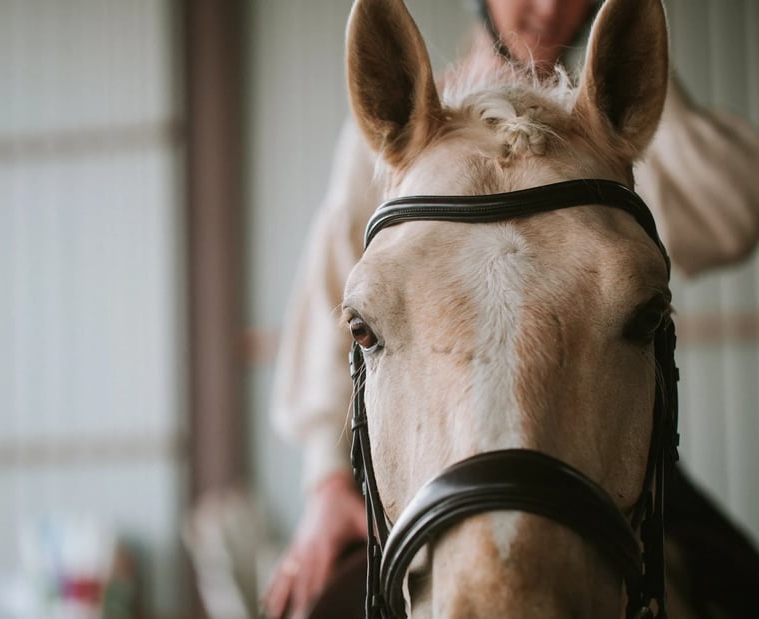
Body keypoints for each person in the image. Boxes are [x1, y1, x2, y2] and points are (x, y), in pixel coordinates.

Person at [262, 1, 759, 617]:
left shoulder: (606, 129)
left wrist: (633, 99)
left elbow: (735, 214)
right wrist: (325, 479)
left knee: (737, 579)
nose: (549, 6)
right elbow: (338, 292)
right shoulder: (395, 127)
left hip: (601, 452)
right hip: (427, 463)